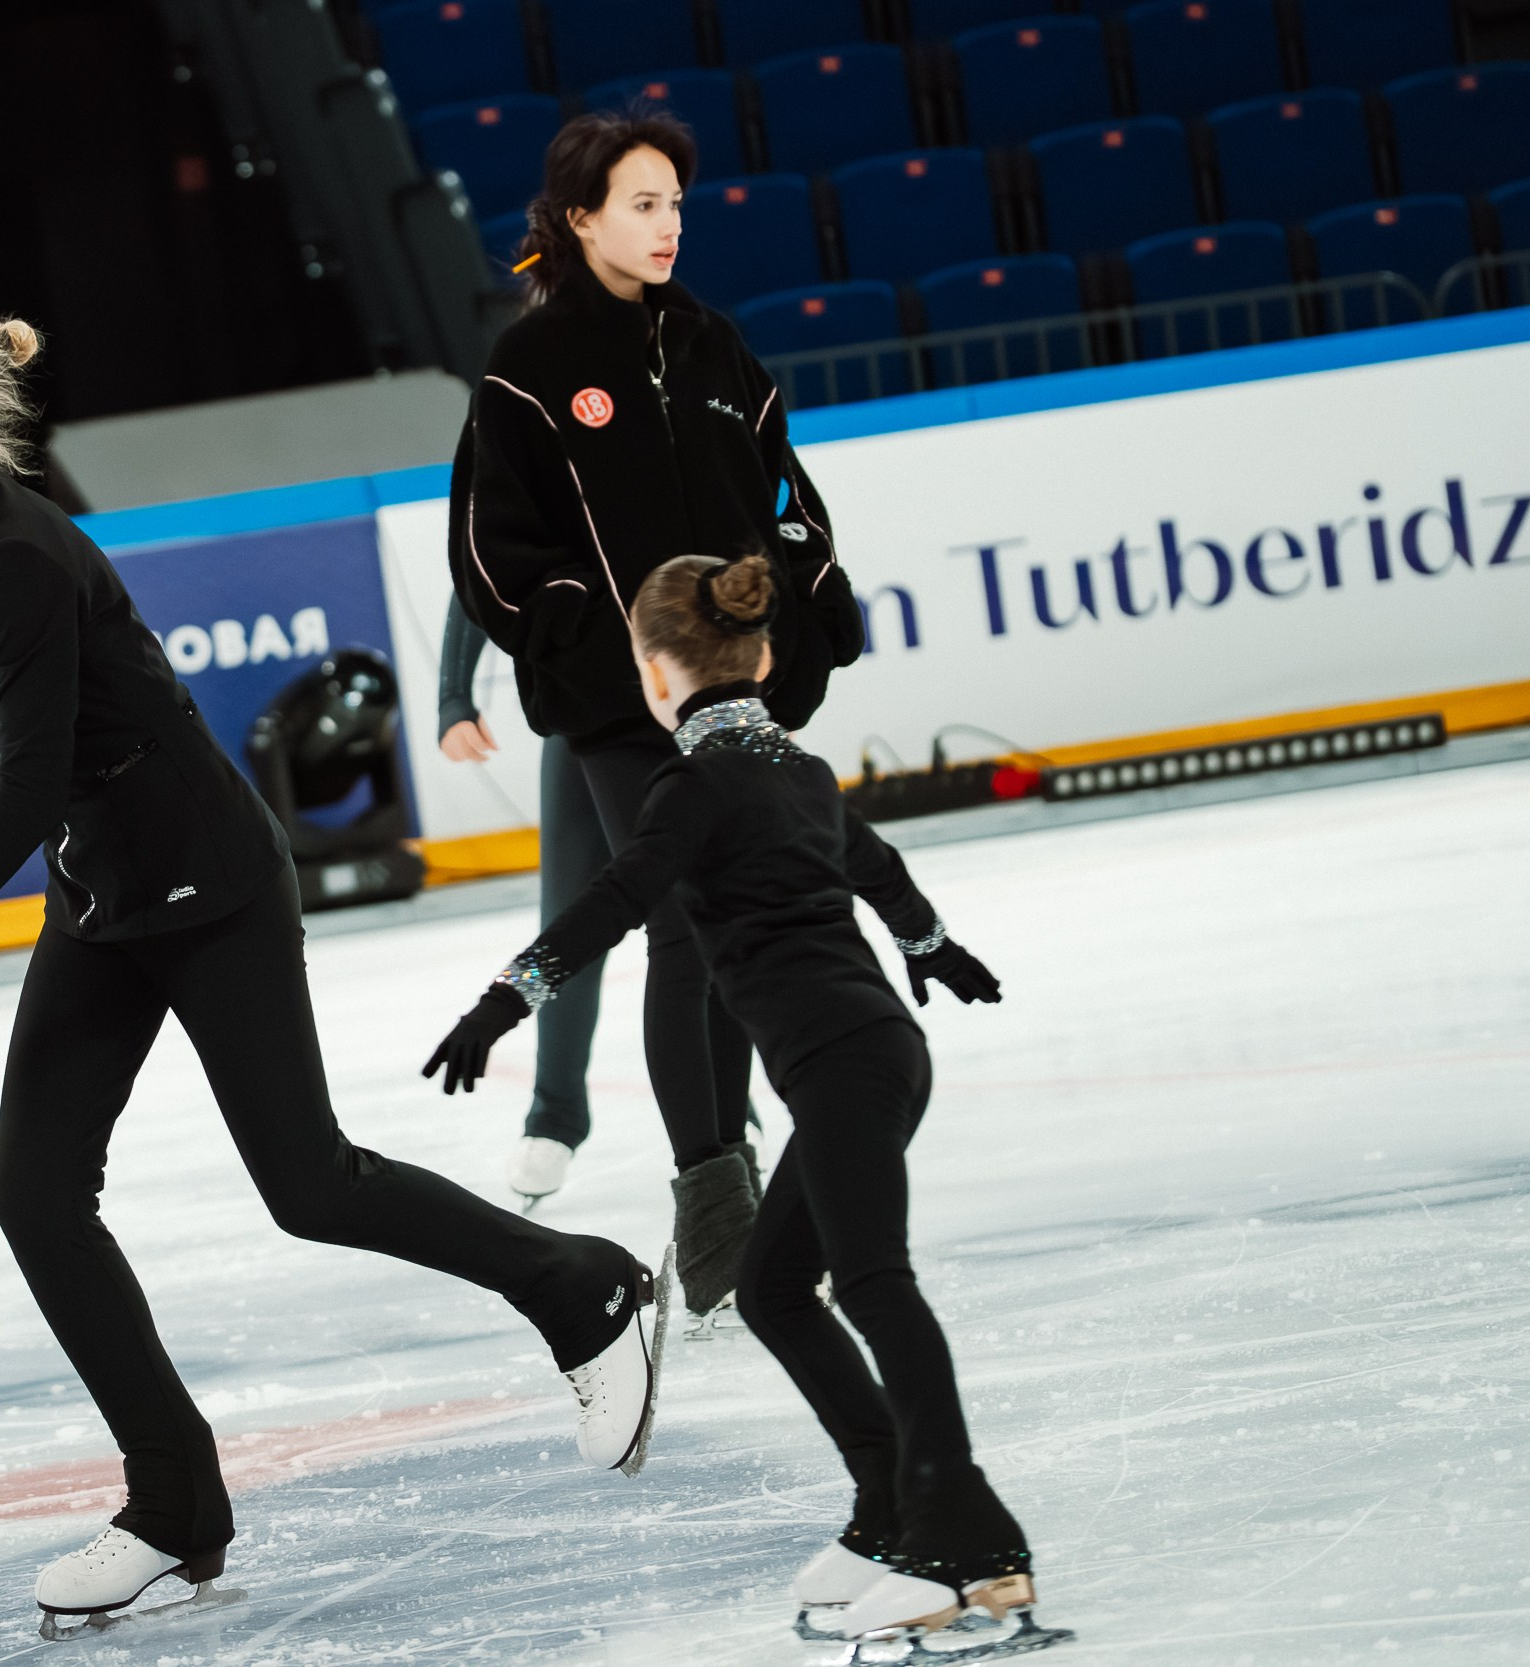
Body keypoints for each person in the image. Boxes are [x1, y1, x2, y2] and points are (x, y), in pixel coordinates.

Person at [0, 280, 672, 1639]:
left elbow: (29, 779)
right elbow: (44, 778)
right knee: (34, 1189)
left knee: (308, 1180)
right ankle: (175, 1504)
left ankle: (584, 1286)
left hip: (209, 887)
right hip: (106, 895)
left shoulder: (13, 550)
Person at [423, 554, 1066, 1659]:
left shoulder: (691, 790)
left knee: (874, 1284)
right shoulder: (798, 773)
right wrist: (931, 945)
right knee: (772, 1287)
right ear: (763, 657)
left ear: (652, 676)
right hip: (868, 1058)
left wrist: (505, 998)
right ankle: (886, 1504)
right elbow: (877, 862)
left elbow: (616, 898)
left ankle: (966, 1540)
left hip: (842, 1069)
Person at [449, 110, 867, 1329]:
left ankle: (731, 1155)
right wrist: (584, 634)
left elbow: (788, 492)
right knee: (687, 923)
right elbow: (488, 548)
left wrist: (806, 603)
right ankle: (713, 1192)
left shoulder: (715, 346)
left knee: (734, 917)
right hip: (619, 707)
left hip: (737, 683)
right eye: (641, 203)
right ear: (579, 218)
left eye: (675, 203)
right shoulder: (528, 367)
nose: (667, 223)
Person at [435, 595, 614, 1211]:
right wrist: (453, 694)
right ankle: (556, 1112)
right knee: (568, 925)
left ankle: (725, 1109)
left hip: (681, 713)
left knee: (696, 929)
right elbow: (479, 572)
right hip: (583, 717)